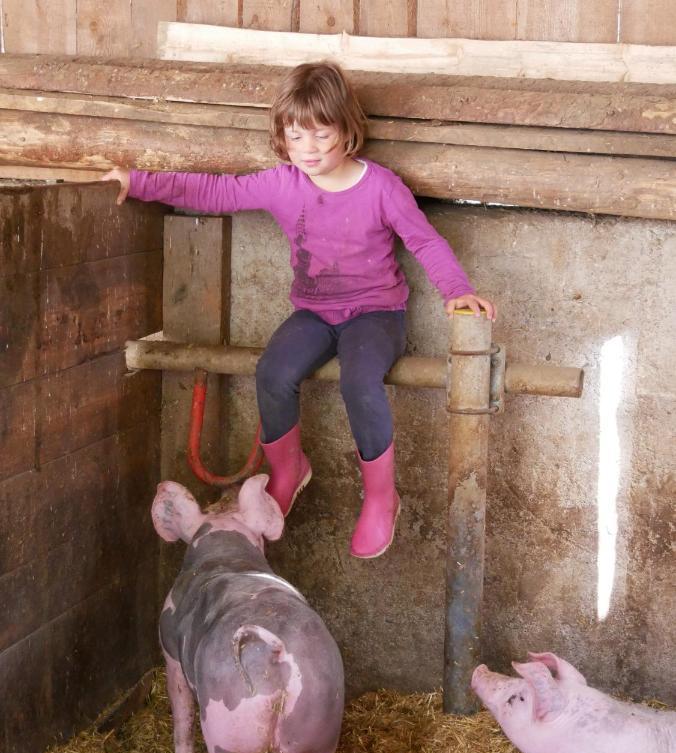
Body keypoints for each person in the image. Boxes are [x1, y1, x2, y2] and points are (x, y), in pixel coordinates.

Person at [102, 61, 495, 559]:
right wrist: (138, 182)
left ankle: (380, 497)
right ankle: (289, 469)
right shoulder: (283, 184)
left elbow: (424, 240)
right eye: (295, 136)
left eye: (320, 135)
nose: (307, 149)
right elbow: (213, 190)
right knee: (273, 370)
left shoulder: (381, 188)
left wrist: (456, 289)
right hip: (315, 312)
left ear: (348, 131)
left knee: (359, 379)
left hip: (375, 314)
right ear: (281, 137)